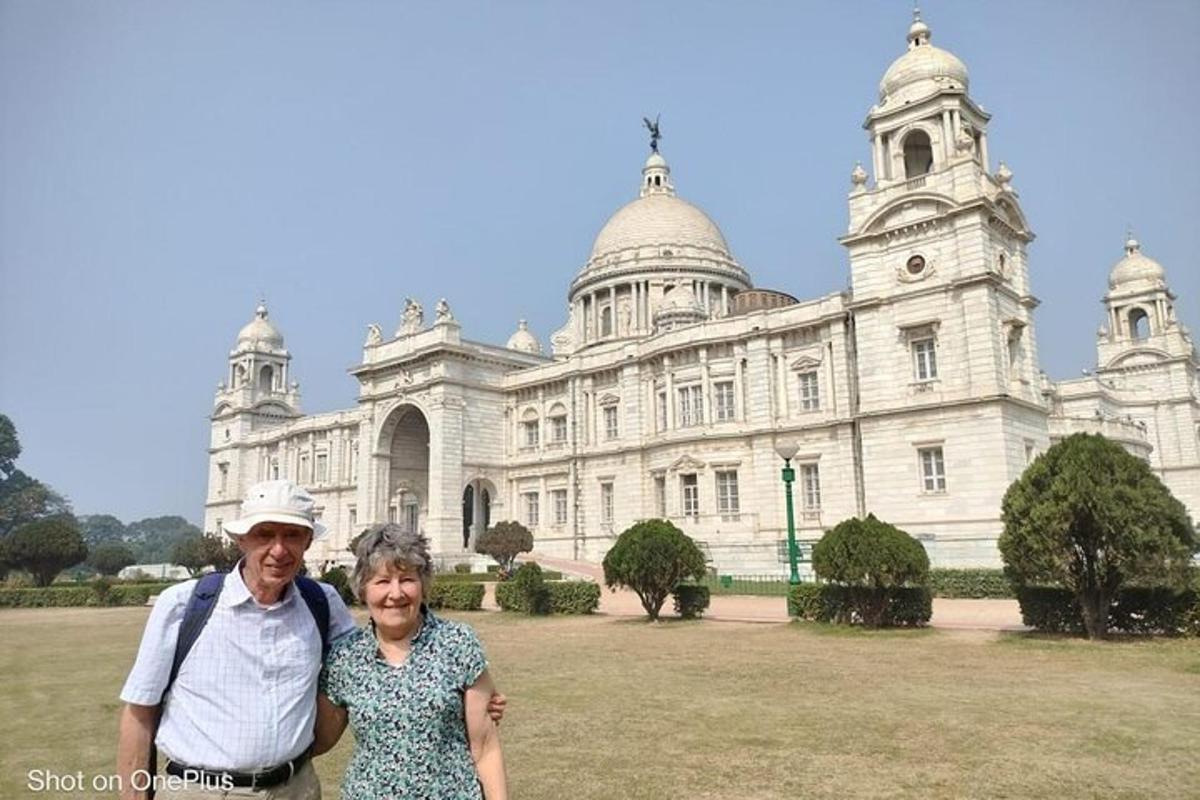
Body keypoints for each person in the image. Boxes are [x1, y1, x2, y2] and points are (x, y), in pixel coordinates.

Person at [116, 481, 504, 799]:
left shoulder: (322, 604)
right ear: (242, 540)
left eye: (293, 535)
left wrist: (473, 697)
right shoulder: (184, 605)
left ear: (307, 541)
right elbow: (139, 716)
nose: (279, 549)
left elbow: (381, 663)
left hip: (295, 789)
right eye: (265, 534)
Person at [315, 524, 507, 800]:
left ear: (422, 584)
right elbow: (318, 738)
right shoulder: (345, 657)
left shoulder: (457, 643)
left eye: (406, 579)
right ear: (363, 590)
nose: (396, 593)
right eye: (382, 581)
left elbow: (486, 747)